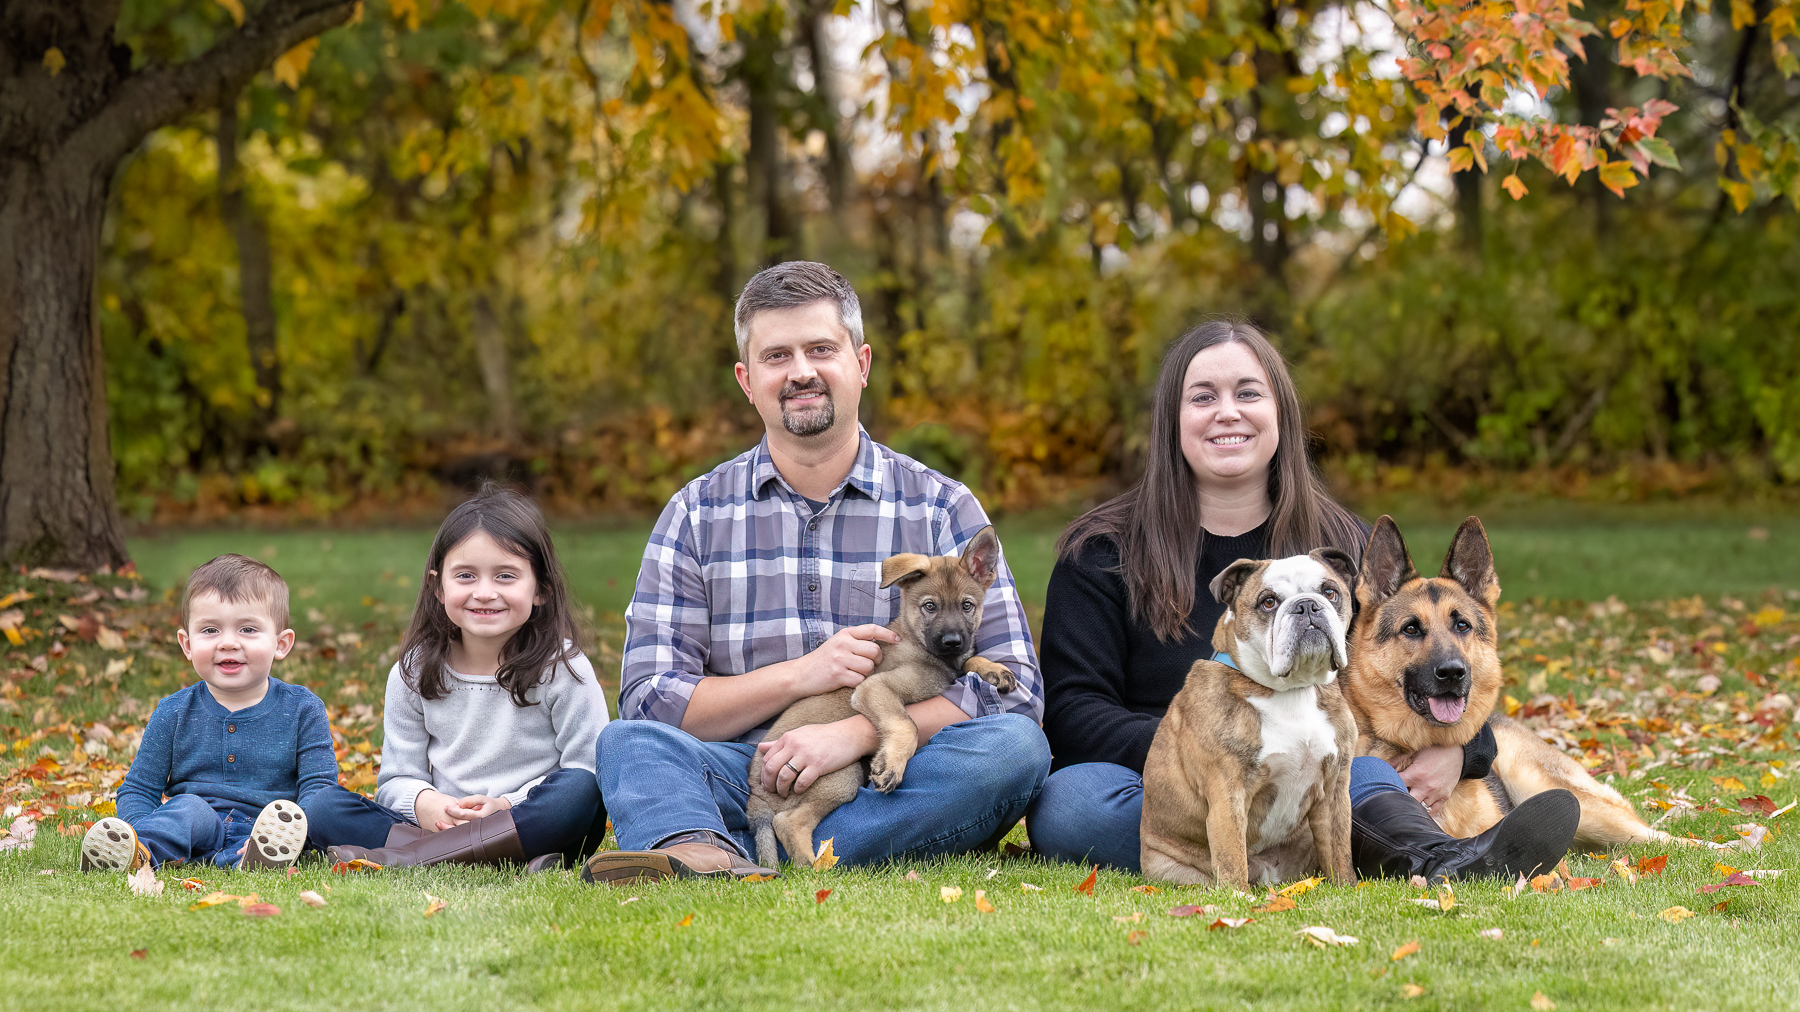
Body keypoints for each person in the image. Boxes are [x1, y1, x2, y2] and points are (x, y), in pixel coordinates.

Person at [1027, 318, 1580, 880]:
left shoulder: (1344, 547)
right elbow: (1073, 713)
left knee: (1366, 775)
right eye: (1202, 397)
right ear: (1171, 420)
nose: (1228, 412)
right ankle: (1327, 851)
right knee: (1070, 804)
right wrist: (1214, 752)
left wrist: (1465, 751)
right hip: (1170, 790)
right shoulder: (1100, 552)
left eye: (1248, 393)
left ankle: (1436, 859)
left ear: (1281, 413)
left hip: (1315, 783)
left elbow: (1423, 658)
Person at [581, 261, 1050, 884]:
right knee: (628, 746)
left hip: (891, 769)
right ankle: (713, 841)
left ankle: (730, 852)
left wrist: (855, 735)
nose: (802, 371)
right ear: (748, 381)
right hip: (740, 767)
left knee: (1014, 751)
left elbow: (1013, 687)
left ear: (861, 363)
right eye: (778, 355)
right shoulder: (695, 513)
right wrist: (801, 676)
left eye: (821, 349)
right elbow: (651, 699)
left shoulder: (941, 506)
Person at [306, 486, 609, 870]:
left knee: (580, 791)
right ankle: (474, 857)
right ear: (438, 585)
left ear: (541, 590)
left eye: (505, 576)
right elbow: (397, 780)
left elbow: (587, 769)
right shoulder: (412, 672)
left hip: (527, 821)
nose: (484, 593)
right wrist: (426, 803)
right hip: (440, 824)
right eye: (466, 575)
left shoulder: (563, 669)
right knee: (322, 806)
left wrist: (504, 807)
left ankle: (411, 859)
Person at [82, 554, 334, 872]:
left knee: (285, 817)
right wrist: (140, 830)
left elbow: (319, 787)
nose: (228, 643)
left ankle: (254, 859)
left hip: (268, 829)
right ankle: (136, 853)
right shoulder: (173, 712)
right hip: (194, 827)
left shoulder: (303, 709)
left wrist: (300, 830)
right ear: (187, 645)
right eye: (211, 630)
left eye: (248, 629)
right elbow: (139, 789)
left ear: (281, 644)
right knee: (187, 808)